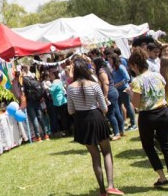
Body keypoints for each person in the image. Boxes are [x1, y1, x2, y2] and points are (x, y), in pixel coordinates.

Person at [67, 59, 123, 196]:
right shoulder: (94, 85)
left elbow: (70, 111)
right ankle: (111, 185)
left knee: (95, 157)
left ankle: (102, 190)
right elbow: (104, 108)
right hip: (97, 118)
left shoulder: (70, 88)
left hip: (82, 121)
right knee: (107, 152)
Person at [128, 48, 168, 191]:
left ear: (136, 66)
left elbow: (136, 104)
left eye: (131, 67)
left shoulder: (137, 81)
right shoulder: (157, 75)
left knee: (149, 146)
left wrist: (130, 93)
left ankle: (162, 177)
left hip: (147, 116)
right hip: (163, 112)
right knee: (167, 147)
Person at [93, 57, 124, 141]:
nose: (93, 66)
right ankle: (121, 130)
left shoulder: (101, 71)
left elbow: (105, 83)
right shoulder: (106, 69)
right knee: (117, 112)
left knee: (110, 114)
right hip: (114, 91)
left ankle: (117, 133)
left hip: (110, 93)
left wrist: (105, 95)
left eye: (93, 64)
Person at [108, 53, 136, 131]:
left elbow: (127, 78)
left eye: (110, 59)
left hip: (124, 89)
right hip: (117, 90)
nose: (109, 61)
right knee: (119, 106)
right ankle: (122, 123)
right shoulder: (113, 68)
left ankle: (133, 123)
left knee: (127, 105)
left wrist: (118, 84)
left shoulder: (120, 67)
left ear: (114, 59)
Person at [49, 69, 71, 136]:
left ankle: (66, 131)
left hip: (58, 102)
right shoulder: (59, 81)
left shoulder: (55, 82)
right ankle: (68, 130)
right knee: (65, 117)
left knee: (62, 118)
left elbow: (51, 91)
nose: (50, 76)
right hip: (63, 100)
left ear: (53, 75)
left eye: (51, 75)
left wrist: (46, 87)